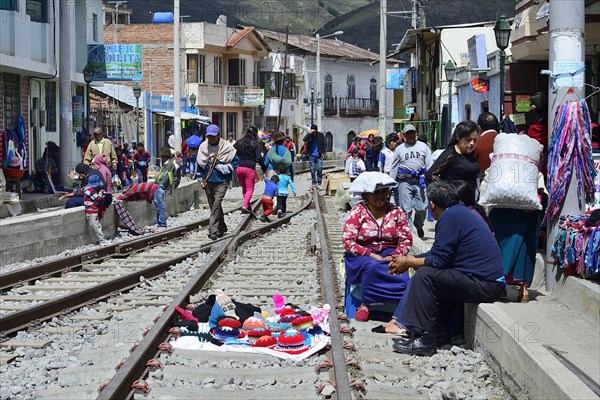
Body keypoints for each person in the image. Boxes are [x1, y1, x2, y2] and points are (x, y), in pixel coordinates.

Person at [387, 181, 505, 356]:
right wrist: (407, 260)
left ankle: (424, 339)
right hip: (484, 281)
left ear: (432, 204)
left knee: (425, 276)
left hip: (486, 285)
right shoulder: (459, 212)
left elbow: (438, 261)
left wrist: (409, 261)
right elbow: (438, 254)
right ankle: (438, 335)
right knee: (429, 273)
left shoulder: (449, 218)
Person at [342, 172, 413, 322]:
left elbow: (406, 239)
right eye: (376, 192)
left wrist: (394, 254)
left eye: (384, 192)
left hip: (390, 251)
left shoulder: (396, 212)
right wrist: (370, 254)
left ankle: (400, 307)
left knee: (399, 269)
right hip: (362, 255)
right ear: (366, 195)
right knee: (372, 266)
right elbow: (348, 241)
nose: (381, 196)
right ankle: (365, 304)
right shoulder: (358, 211)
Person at [197, 124, 240, 240]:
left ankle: (212, 230)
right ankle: (222, 227)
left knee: (216, 203)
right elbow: (200, 163)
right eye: (209, 136)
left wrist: (224, 168)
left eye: (213, 136)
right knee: (213, 205)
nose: (211, 139)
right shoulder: (203, 147)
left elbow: (236, 162)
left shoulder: (226, 147)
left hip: (222, 180)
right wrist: (200, 178)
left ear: (218, 135)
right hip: (208, 180)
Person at [395, 124, 433, 239]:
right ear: (404, 135)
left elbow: (429, 164)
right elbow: (394, 168)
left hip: (419, 181)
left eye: (412, 132)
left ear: (416, 133)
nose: (411, 135)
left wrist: (430, 178)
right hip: (404, 181)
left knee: (422, 207)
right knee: (406, 210)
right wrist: (390, 184)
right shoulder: (399, 149)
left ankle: (419, 225)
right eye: (408, 133)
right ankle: (410, 235)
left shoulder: (424, 147)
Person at [425, 120, 480, 190]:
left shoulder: (471, 153)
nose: (472, 143)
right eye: (468, 140)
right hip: (455, 199)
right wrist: (448, 190)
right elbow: (430, 175)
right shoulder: (451, 153)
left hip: (471, 198)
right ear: (458, 137)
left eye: (475, 140)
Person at [234, 126, 265, 214]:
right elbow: (259, 157)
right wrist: (263, 167)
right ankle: (244, 206)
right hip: (249, 168)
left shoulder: (239, 142)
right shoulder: (256, 144)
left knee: (244, 188)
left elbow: (232, 151)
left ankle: (247, 205)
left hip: (239, 168)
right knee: (250, 189)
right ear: (255, 134)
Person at [83, 174, 106, 245]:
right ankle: (102, 241)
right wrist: (101, 194)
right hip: (91, 211)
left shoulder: (86, 189)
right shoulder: (91, 190)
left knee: (97, 226)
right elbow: (97, 198)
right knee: (96, 227)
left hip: (92, 210)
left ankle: (100, 240)